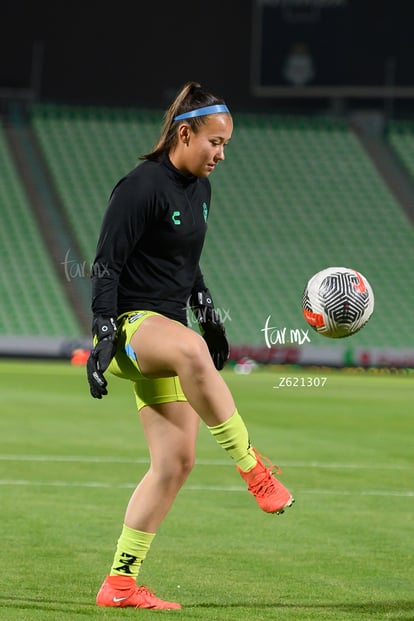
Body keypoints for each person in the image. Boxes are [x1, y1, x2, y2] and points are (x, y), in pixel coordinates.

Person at [86, 80, 294, 611]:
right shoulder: (140, 186)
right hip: (132, 326)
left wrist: (209, 315)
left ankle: (121, 584)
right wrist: (103, 332)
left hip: (167, 330)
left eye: (226, 144)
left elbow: (184, 263)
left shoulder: (200, 190)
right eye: (215, 142)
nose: (222, 154)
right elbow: (107, 263)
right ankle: (254, 468)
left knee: (175, 463)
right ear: (185, 133)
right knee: (192, 354)